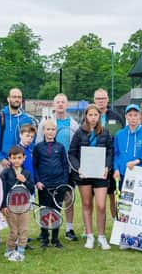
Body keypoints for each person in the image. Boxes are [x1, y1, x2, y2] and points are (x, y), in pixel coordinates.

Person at [69, 104, 114, 250]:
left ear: (99, 116)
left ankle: (101, 236)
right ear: (86, 116)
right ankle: (89, 235)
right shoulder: (79, 132)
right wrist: (78, 168)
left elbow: (110, 152)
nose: (93, 118)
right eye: (90, 115)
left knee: (101, 206)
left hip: (101, 174)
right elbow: (72, 153)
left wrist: (107, 166)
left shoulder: (105, 133)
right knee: (87, 204)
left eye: (96, 115)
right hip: (84, 174)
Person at [36, 93, 80, 242]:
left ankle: (68, 228)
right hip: (48, 170)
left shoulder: (73, 124)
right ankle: (44, 231)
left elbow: (76, 146)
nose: (60, 104)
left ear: (66, 105)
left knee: (67, 198)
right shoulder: (46, 122)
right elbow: (38, 145)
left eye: (63, 102)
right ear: (54, 105)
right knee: (46, 201)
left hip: (67, 167)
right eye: (58, 102)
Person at [33, 119, 69, 249]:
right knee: (44, 212)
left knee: (56, 212)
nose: (50, 132)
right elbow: (35, 166)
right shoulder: (38, 147)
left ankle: (55, 239)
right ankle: (44, 237)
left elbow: (65, 166)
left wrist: (64, 183)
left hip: (58, 185)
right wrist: (38, 181)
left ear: (56, 131)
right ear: (43, 131)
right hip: (44, 185)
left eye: (53, 129)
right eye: (48, 129)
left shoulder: (60, 147)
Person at [93, 88, 123, 222]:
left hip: (111, 159)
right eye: (98, 99)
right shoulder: (90, 116)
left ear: (108, 100)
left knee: (112, 194)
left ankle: (115, 222)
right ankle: (88, 228)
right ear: (94, 100)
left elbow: (121, 138)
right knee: (92, 195)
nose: (101, 101)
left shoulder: (116, 117)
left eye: (103, 98)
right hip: (94, 160)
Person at [0, 145, 35, 262]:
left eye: (19, 158)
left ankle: (20, 251)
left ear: (24, 158)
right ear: (9, 159)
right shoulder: (5, 173)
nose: (16, 160)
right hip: (11, 207)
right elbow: (2, 190)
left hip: (24, 207)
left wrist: (24, 181)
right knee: (14, 231)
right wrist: (3, 206)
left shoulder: (27, 173)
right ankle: (9, 250)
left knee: (23, 230)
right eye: (14, 158)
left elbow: (32, 189)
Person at [0, 88, 35, 169]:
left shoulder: (26, 119)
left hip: (21, 162)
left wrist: (26, 155)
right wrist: (0, 158)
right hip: (3, 163)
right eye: (14, 97)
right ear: (8, 99)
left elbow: (32, 140)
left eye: (19, 97)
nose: (17, 99)